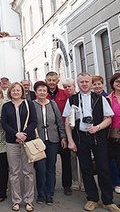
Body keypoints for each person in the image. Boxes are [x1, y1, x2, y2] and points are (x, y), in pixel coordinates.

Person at [63, 72, 120, 212]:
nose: (84, 84)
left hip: (98, 138)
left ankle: (108, 200)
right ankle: (92, 198)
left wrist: (97, 127)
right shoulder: (72, 100)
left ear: (90, 82)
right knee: (86, 169)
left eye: (87, 81)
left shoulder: (100, 99)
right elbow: (66, 121)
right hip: (81, 138)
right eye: (81, 82)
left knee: (103, 168)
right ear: (78, 83)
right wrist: (70, 140)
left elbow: (109, 118)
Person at [1, 82, 37, 212]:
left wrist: (24, 134)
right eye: (13, 90)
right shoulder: (6, 106)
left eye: (18, 90)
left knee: (28, 172)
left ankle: (29, 200)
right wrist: (16, 134)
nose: (16, 92)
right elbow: (4, 123)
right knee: (14, 172)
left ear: (22, 92)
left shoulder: (29, 104)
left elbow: (34, 121)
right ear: (10, 92)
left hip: (27, 141)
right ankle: (16, 200)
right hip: (12, 142)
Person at [32, 81, 66, 206]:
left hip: (53, 139)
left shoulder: (53, 104)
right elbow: (30, 122)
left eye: (44, 90)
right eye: (39, 90)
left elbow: (59, 121)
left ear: (47, 92)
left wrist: (63, 137)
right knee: (40, 168)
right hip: (38, 140)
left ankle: (49, 194)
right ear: (35, 92)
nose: (42, 92)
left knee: (51, 168)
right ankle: (41, 193)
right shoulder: (32, 105)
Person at [45, 71, 72, 196]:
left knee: (66, 159)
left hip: (64, 131)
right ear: (46, 80)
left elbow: (70, 112)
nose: (51, 82)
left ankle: (67, 185)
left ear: (57, 80)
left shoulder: (65, 94)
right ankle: (49, 185)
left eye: (53, 80)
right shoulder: (42, 94)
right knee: (49, 161)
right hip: (48, 132)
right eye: (49, 80)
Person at [62, 78, 84, 191]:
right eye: (65, 87)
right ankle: (75, 180)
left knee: (84, 158)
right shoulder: (68, 99)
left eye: (69, 86)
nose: (67, 89)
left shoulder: (80, 97)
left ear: (74, 86)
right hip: (71, 131)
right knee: (73, 158)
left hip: (82, 131)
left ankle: (84, 181)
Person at [107, 73, 120, 195]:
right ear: (113, 83)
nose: (119, 83)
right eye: (117, 81)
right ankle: (117, 183)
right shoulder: (108, 99)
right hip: (113, 135)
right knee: (115, 161)